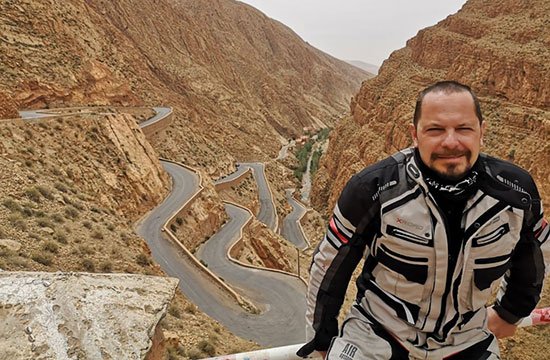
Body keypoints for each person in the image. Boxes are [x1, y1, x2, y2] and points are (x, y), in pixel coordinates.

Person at [297, 81, 549, 359]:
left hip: (467, 339)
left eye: (463, 128)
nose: (450, 141)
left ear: (482, 132)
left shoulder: (516, 193)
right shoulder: (374, 188)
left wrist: (510, 312)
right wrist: (321, 339)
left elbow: (532, 258)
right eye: (435, 129)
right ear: (414, 135)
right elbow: (329, 267)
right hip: (377, 333)